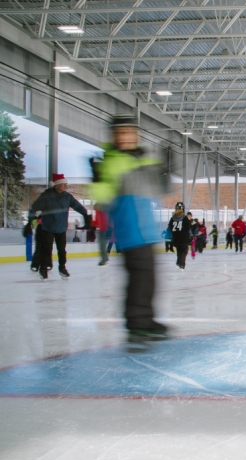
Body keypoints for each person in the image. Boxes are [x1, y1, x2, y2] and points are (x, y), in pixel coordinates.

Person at [89, 114, 170, 350]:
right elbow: (103, 201)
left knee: (149, 279)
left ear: (136, 136)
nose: (124, 138)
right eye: (120, 133)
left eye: (128, 133)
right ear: (114, 137)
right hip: (129, 229)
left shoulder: (144, 161)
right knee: (138, 280)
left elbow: (162, 189)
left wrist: (166, 169)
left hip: (147, 230)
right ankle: (136, 324)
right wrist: (98, 180)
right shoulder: (111, 162)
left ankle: (147, 319)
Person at [28, 173, 90, 280]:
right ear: (56, 185)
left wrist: (85, 214)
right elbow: (34, 207)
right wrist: (31, 220)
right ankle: (43, 268)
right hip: (48, 227)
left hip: (61, 227)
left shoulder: (67, 196)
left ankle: (62, 267)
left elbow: (77, 206)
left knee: (62, 250)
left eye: (66, 184)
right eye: (63, 184)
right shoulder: (46, 195)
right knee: (47, 249)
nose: (65, 186)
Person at [168, 202, 191, 270]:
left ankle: (178, 263)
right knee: (184, 251)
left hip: (175, 238)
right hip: (183, 238)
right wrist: (191, 236)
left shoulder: (172, 219)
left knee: (179, 250)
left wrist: (170, 238)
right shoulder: (184, 218)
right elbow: (188, 228)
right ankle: (181, 264)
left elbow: (169, 228)